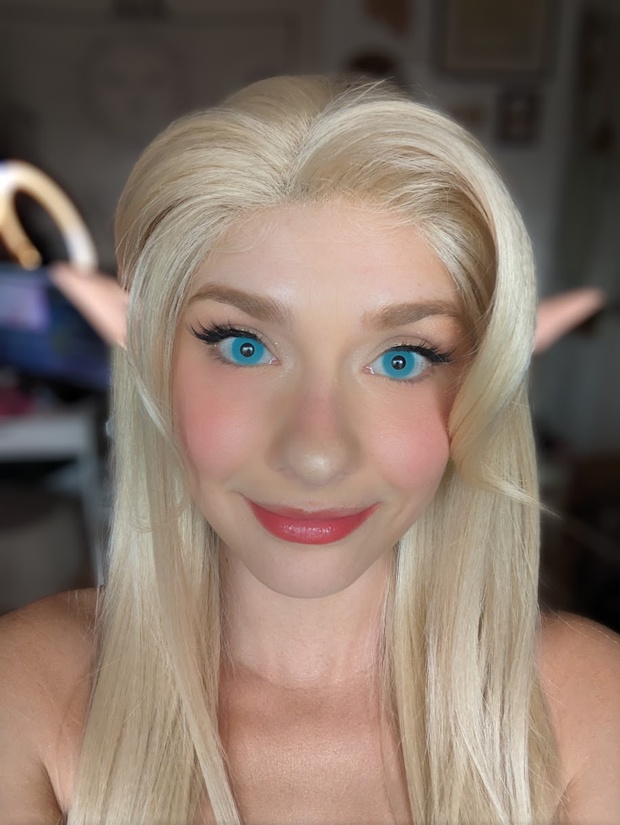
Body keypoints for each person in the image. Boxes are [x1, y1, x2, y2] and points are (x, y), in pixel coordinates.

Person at [1, 74, 619, 825]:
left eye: (402, 359)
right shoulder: (24, 694)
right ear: (158, 366)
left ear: (480, 388)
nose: (316, 455)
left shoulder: (593, 711)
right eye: (246, 345)